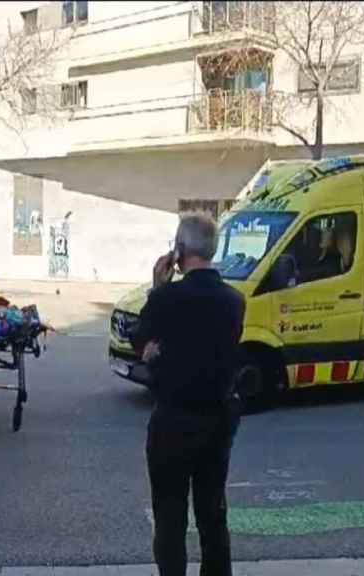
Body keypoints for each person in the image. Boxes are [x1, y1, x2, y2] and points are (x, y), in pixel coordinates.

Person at [133, 213, 245, 576]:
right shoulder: (234, 300)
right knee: (213, 513)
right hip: (217, 419)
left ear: (179, 251)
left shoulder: (168, 297)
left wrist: (157, 285)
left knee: (170, 517)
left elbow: (141, 339)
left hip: (173, 420)